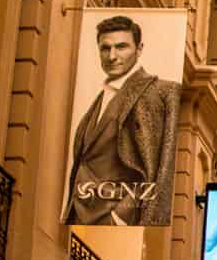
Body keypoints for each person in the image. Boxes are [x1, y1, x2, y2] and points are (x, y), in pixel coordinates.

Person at [63, 14, 180, 226]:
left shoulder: (161, 91)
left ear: (139, 49)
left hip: (118, 219)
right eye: (105, 48)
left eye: (121, 47)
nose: (112, 56)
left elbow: (163, 166)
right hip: (78, 215)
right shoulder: (100, 97)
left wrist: (121, 215)